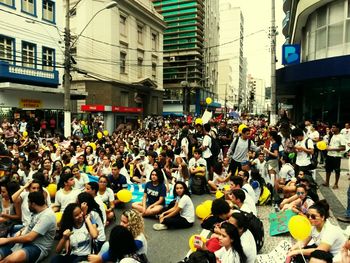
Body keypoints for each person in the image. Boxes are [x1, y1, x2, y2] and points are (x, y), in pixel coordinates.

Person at [0, 191, 56, 262]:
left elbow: (30, 238)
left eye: (28, 202)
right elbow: (30, 226)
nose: (28, 205)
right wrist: (21, 231)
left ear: (33, 203)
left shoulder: (47, 216)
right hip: (24, 241)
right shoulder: (37, 212)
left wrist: (7, 239)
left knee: (11, 259)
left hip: (37, 246)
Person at [323, 123, 346, 189]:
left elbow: (343, 148)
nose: (332, 128)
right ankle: (327, 182)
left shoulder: (341, 137)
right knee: (328, 169)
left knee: (337, 170)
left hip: (336, 156)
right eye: (332, 127)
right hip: (329, 155)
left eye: (334, 127)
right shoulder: (331, 135)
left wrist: (332, 149)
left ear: (338, 128)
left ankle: (336, 184)